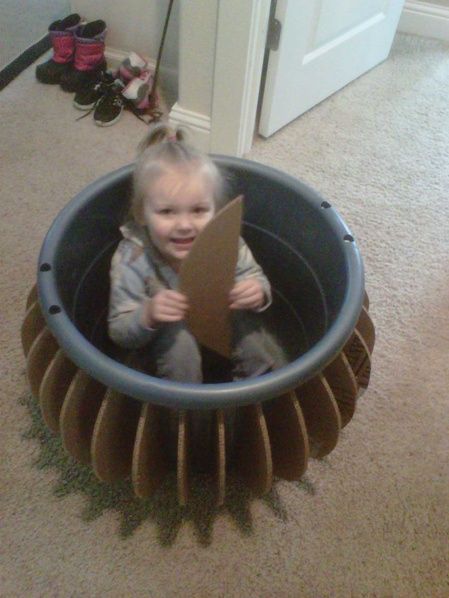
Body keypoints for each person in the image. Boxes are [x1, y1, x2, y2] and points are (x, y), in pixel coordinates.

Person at [107, 124, 276, 383]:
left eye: (198, 210)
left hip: (217, 319)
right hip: (165, 343)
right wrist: (148, 313)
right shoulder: (132, 258)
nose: (185, 225)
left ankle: (256, 393)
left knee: (253, 337)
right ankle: (187, 411)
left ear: (215, 210)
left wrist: (257, 291)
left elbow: (255, 276)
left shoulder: (225, 241)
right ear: (142, 214)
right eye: (167, 212)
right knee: (180, 349)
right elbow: (119, 330)